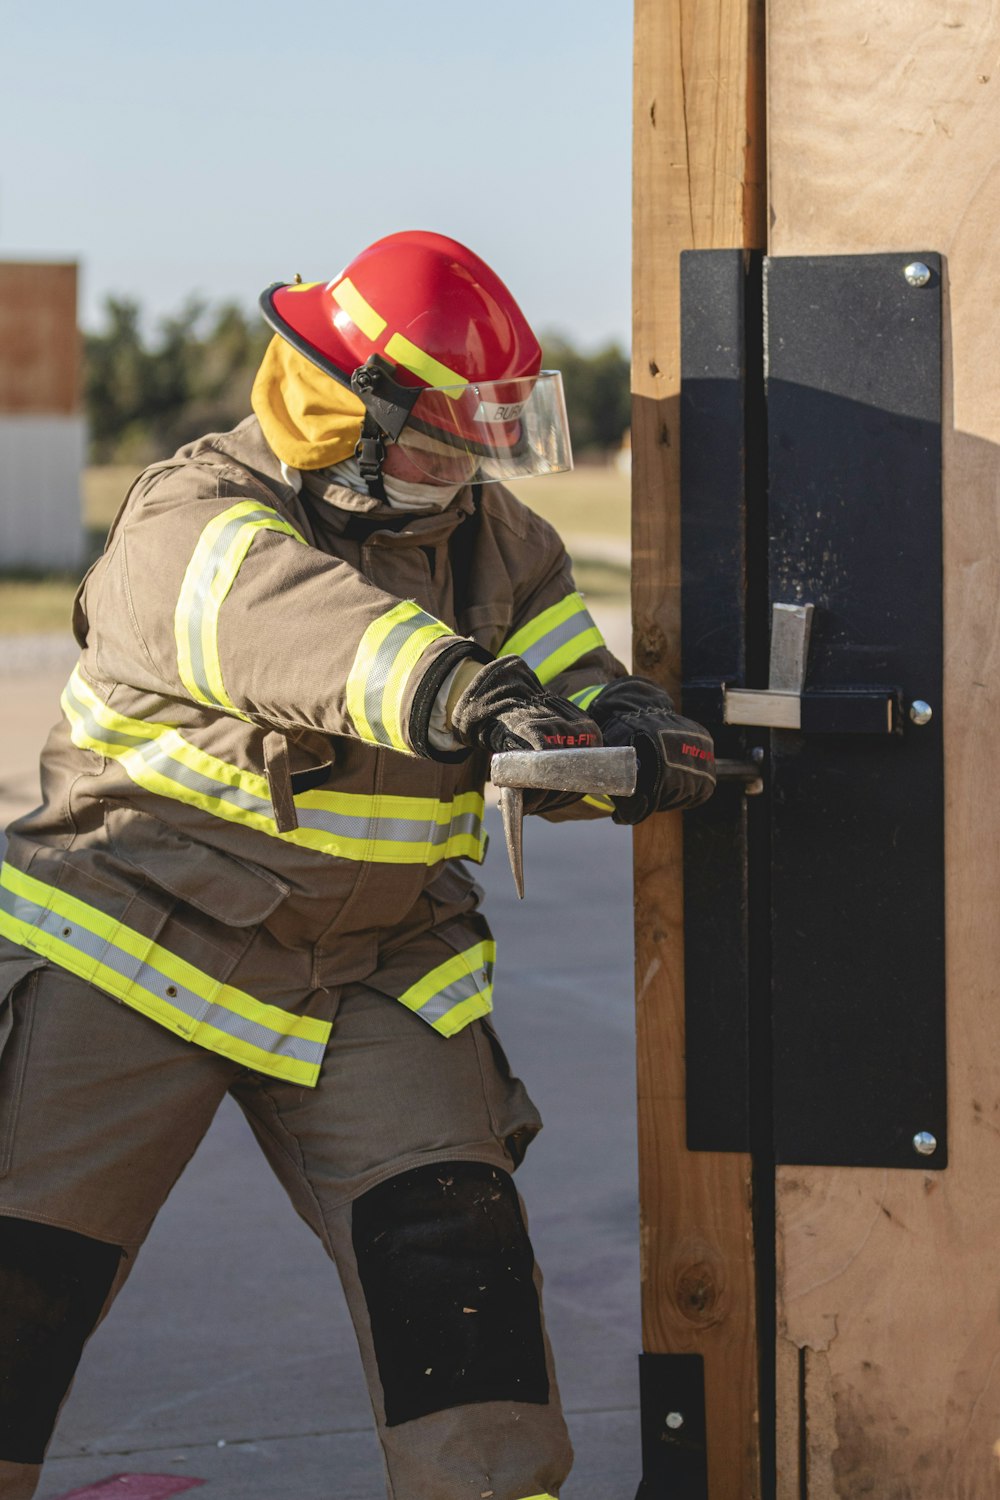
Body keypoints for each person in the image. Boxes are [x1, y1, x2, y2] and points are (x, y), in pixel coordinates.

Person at [0, 231, 715, 1500]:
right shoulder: (196, 512)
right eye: (444, 440)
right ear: (350, 411)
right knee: (19, 1282)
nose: (467, 474)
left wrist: (623, 733)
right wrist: (458, 691)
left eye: (485, 443)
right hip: (129, 948)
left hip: (371, 972)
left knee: (460, 1281)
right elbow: (303, 627)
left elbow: (560, 684)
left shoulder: (498, 540)